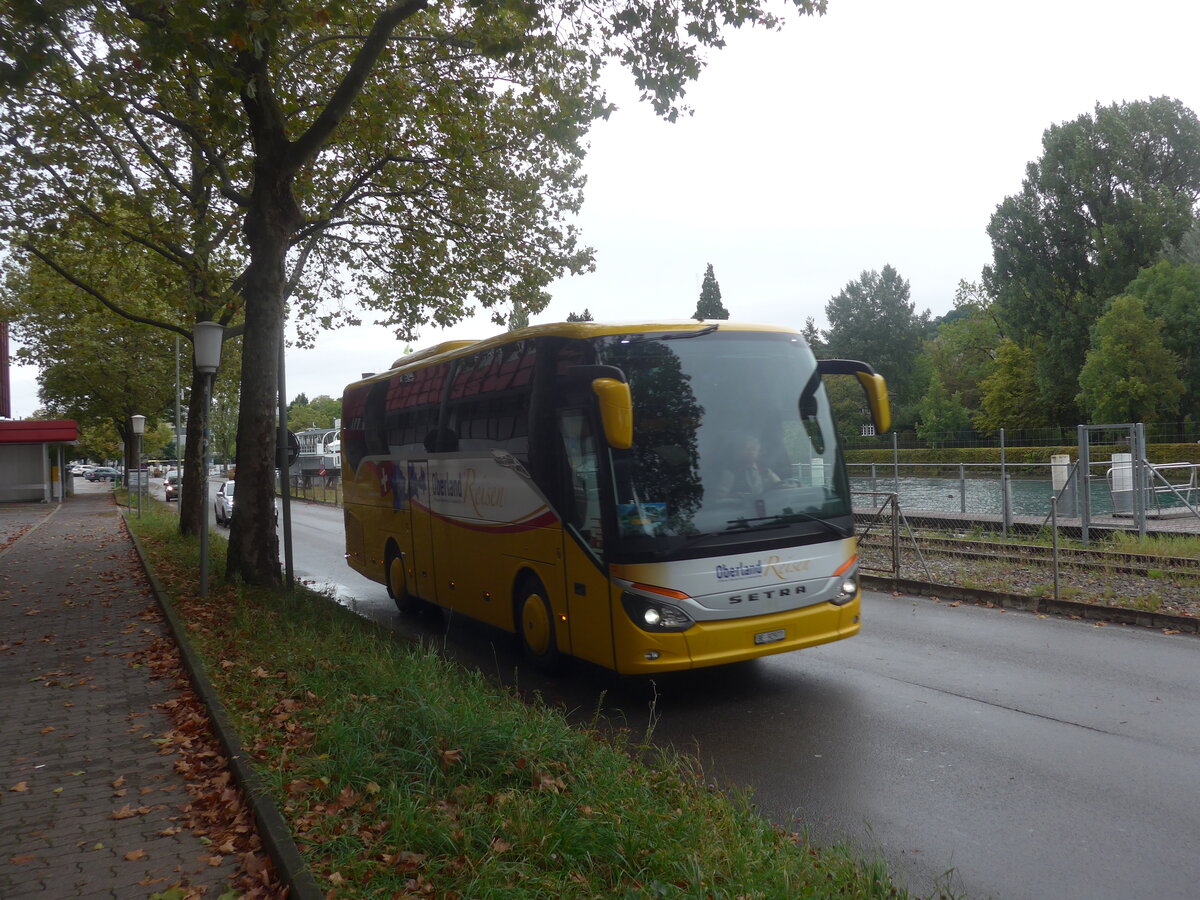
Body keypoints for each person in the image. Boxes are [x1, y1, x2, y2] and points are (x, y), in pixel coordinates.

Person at [716, 434, 781, 498]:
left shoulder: (765, 470)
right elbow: (719, 497)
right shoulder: (731, 473)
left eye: (753, 449)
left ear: (758, 452)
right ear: (739, 451)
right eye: (747, 449)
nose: (750, 452)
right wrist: (733, 496)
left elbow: (780, 485)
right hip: (740, 507)